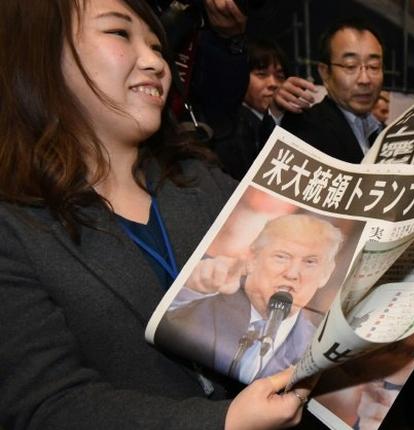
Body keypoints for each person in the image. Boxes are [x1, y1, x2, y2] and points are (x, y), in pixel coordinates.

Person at [0, 0, 308, 428]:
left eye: (156, 46)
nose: (156, 63)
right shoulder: (15, 227)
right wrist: (223, 422)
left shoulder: (204, 182)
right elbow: (46, 405)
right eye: (119, 34)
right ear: (42, 54)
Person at [158, 214, 344, 384]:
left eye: (310, 262)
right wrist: (191, 288)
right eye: (281, 257)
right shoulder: (203, 292)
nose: (293, 274)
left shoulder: (315, 349)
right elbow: (161, 321)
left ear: (325, 274)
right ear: (253, 259)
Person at [277, 18, 385, 163]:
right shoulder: (305, 127)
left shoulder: (388, 134)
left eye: (374, 66)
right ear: (325, 73)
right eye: (350, 66)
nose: (365, 80)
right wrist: (276, 112)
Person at [211, 36, 288, 180]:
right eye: (261, 74)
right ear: (239, 77)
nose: (273, 83)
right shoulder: (231, 129)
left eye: (280, 76)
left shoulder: (288, 121)